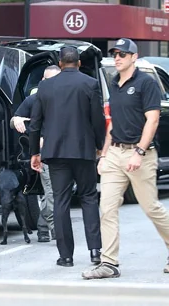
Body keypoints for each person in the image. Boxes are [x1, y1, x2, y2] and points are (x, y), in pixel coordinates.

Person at [82, 38, 169, 279]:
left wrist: (140, 152)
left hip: (140, 153)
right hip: (115, 154)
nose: (118, 57)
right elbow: (113, 123)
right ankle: (109, 263)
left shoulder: (146, 83)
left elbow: (152, 120)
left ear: (134, 57)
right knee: (106, 208)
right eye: (115, 54)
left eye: (122, 54)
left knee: (151, 207)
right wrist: (104, 154)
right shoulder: (114, 83)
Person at [28, 46, 106, 267]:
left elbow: (35, 124)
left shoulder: (45, 87)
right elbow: (97, 120)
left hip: (55, 152)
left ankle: (66, 256)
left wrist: (35, 152)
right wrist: (100, 146)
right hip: (83, 151)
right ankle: (95, 252)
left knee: (60, 201)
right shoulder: (90, 84)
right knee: (89, 198)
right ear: (79, 63)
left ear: (60, 64)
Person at [10, 65, 61, 242]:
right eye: (48, 80)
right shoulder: (34, 99)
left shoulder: (66, 99)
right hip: (44, 155)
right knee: (52, 193)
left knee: (57, 194)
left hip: (64, 153)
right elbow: (15, 117)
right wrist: (17, 120)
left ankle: (42, 226)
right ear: (42, 82)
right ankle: (57, 233)